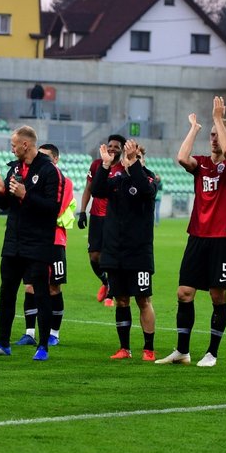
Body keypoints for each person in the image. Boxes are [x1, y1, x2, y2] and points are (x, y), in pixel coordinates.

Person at [157, 97, 226, 367]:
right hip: (197, 236)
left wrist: (219, 119)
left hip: (221, 239)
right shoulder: (203, 164)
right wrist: (195, 128)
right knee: (184, 293)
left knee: (218, 296)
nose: (214, 139)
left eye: (219, 135)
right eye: (212, 135)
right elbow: (182, 157)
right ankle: (182, 351)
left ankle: (212, 353)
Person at [0, 126, 62, 360]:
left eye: (13, 144)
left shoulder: (49, 171)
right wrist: (0, 192)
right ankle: (3, 343)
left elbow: (52, 209)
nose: (11, 147)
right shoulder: (14, 168)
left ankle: (43, 346)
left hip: (37, 244)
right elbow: (8, 205)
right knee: (6, 294)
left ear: (25, 145)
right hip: (13, 243)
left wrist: (26, 195)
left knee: (41, 294)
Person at [93, 141, 157, 361]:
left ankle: (148, 348)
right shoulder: (116, 179)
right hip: (114, 251)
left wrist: (134, 165)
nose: (130, 159)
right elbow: (98, 190)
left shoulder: (149, 178)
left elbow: (145, 191)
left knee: (143, 299)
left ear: (142, 159)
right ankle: (124, 348)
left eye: (136, 156)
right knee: (121, 299)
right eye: (128, 155)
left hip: (139, 253)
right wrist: (105, 165)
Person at [17, 144, 76, 348]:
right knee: (30, 286)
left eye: (47, 157)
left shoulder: (64, 182)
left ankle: (54, 333)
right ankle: (29, 332)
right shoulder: (31, 178)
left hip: (55, 240)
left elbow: (55, 210)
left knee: (53, 287)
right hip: (33, 240)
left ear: (56, 160)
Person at [77, 135, 125, 306]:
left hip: (115, 218)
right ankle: (105, 283)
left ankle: (111, 293)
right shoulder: (97, 165)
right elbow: (88, 188)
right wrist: (82, 212)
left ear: (122, 149)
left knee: (110, 256)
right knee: (94, 257)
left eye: (116, 146)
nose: (112, 148)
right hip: (96, 216)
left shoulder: (124, 167)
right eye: (110, 145)